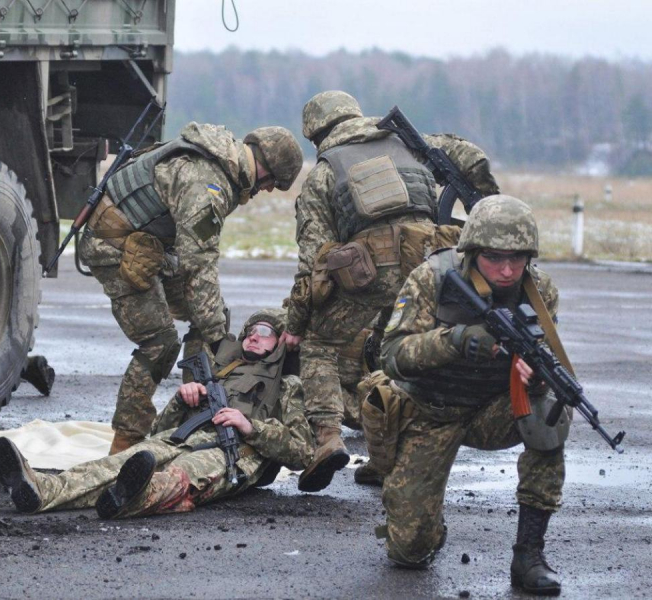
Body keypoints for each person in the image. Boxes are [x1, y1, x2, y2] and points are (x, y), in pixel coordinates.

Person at [280, 90, 499, 492]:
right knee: (393, 353)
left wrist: (295, 322)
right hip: (429, 265)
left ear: (316, 133)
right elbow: (470, 155)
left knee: (319, 344)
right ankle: (387, 457)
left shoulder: (325, 172)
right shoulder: (409, 146)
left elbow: (313, 261)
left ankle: (327, 439)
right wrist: (489, 199)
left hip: (367, 275)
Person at [368, 195, 567, 595]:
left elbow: (544, 359)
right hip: (430, 410)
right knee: (408, 551)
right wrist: (456, 341)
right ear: (473, 251)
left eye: (518, 258)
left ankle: (529, 554)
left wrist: (538, 380)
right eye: (495, 258)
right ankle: (427, 526)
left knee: (550, 418)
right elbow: (390, 356)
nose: (508, 270)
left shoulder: (540, 289)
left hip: (493, 408)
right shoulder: (433, 278)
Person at [78, 122, 303, 454]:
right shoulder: (209, 183)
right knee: (159, 343)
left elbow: (194, 265)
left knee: (210, 314)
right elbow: (199, 263)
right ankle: (125, 440)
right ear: (266, 170)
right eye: (273, 185)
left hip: (148, 246)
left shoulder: (218, 161)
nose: (267, 192)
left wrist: (211, 324)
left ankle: (199, 404)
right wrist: (216, 338)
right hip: (113, 249)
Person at [0, 310, 312, 519]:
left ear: (280, 344)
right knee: (118, 463)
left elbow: (302, 451)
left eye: (265, 331)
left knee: (179, 477)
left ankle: (128, 498)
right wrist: (182, 399)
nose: (254, 335)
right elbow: (161, 428)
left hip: (234, 454)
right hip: (181, 437)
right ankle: (39, 490)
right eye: (250, 330)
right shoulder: (222, 373)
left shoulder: (287, 385)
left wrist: (250, 426)